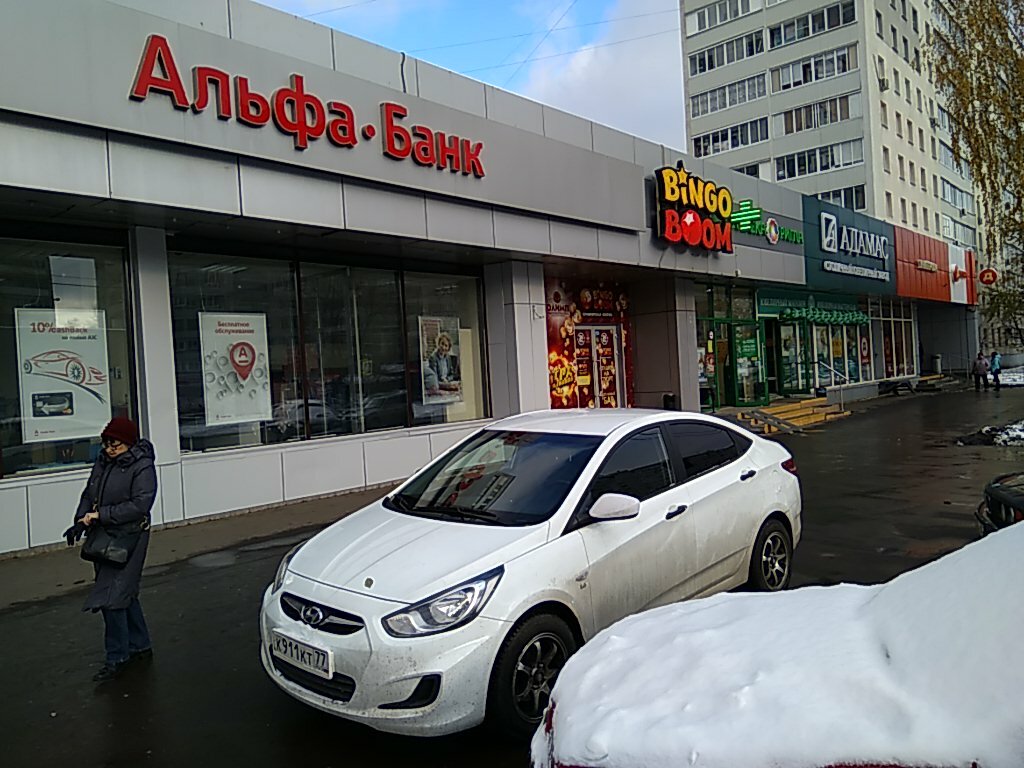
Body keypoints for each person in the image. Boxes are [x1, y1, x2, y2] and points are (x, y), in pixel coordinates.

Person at [67, 417, 157, 682]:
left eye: (114, 444)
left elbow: (140, 505)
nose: (109, 449)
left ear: (128, 442)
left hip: (130, 537)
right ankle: (140, 644)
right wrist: (81, 519)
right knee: (122, 591)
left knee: (112, 597)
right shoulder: (104, 462)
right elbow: (89, 492)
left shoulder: (142, 466)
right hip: (104, 535)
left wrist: (100, 516)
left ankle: (117, 656)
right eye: (106, 444)